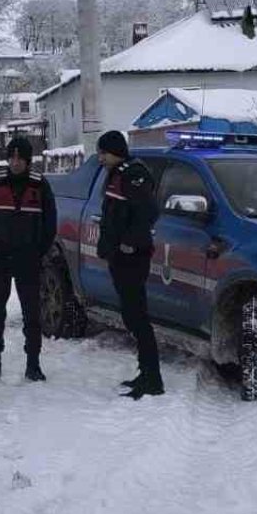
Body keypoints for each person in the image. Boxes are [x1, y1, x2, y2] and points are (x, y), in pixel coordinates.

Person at [0, 137, 57, 383]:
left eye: (19, 158)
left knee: (31, 314)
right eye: (11, 157)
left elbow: (50, 224)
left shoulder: (39, 185)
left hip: (28, 260)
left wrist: (39, 252)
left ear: (27, 160)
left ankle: (33, 364)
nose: (15, 162)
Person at [95, 131, 163, 399]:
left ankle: (153, 379)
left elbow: (148, 212)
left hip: (132, 256)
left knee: (137, 317)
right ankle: (145, 373)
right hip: (119, 256)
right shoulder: (117, 173)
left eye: (103, 153)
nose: (100, 158)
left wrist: (129, 243)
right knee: (131, 314)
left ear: (116, 152)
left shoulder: (134, 174)